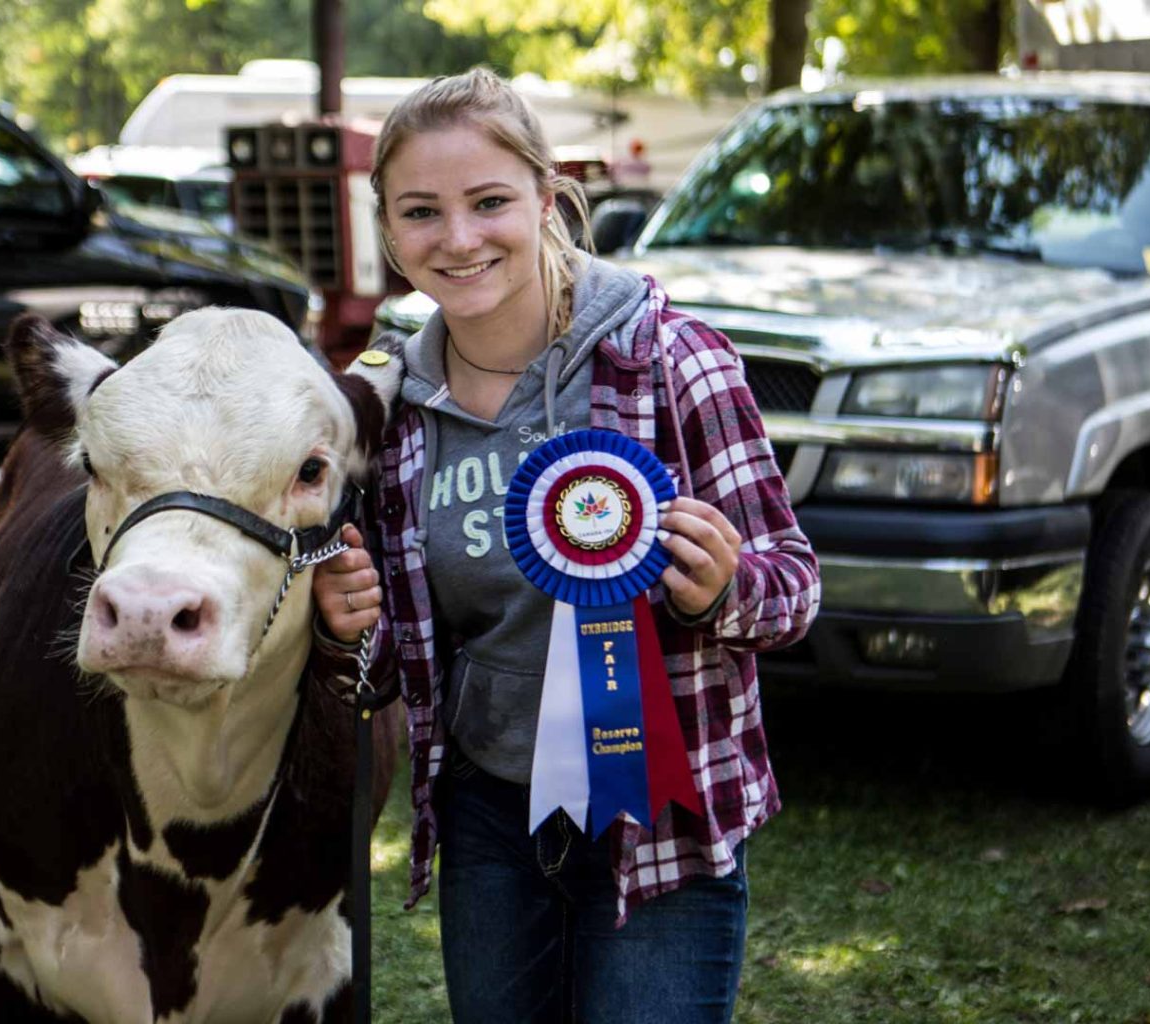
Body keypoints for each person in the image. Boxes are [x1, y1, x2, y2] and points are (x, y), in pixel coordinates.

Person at [310, 66, 819, 1024]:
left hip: (663, 823)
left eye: (490, 201)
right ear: (389, 232)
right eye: (422, 212)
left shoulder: (674, 362)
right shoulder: (387, 410)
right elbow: (395, 662)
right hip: (491, 819)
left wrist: (723, 590)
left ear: (549, 197)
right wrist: (346, 628)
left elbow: (793, 589)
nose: (458, 240)